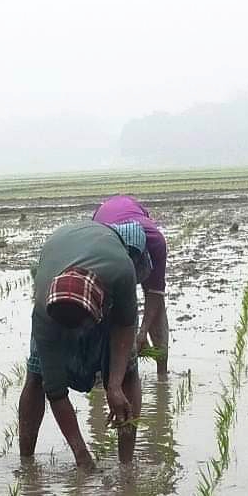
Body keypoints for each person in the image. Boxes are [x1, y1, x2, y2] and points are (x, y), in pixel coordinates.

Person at [19, 219, 147, 469]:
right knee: (36, 374)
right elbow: (55, 391)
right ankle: (26, 462)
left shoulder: (121, 272)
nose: (79, 335)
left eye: (83, 326)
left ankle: (126, 465)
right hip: (57, 260)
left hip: (105, 261)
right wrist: (82, 456)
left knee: (128, 373)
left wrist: (114, 386)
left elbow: (125, 326)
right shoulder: (44, 315)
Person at [92, 195, 169, 367]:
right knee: (108, 311)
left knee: (158, 308)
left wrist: (142, 332)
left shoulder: (155, 242)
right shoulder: (101, 249)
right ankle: (105, 372)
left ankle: (162, 374)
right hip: (104, 228)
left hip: (133, 214)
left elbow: (155, 293)